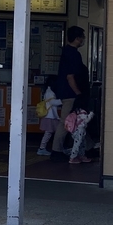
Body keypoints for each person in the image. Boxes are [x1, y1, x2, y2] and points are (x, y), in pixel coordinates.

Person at [51, 26, 89, 154]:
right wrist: (78, 93)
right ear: (78, 38)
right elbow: (70, 77)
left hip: (66, 92)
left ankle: (87, 147)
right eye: (82, 37)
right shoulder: (73, 54)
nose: (83, 40)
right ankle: (56, 150)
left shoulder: (66, 52)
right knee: (67, 121)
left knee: (78, 121)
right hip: (71, 93)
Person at [37, 87, 61, 155]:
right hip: (50, 116)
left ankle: (42, 148)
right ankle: (42, 148)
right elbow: (53, 102)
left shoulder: (47, 91)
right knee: (49, 133)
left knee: (50, 133)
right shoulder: (50, 92)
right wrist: (63, 100)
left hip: (49, 116)